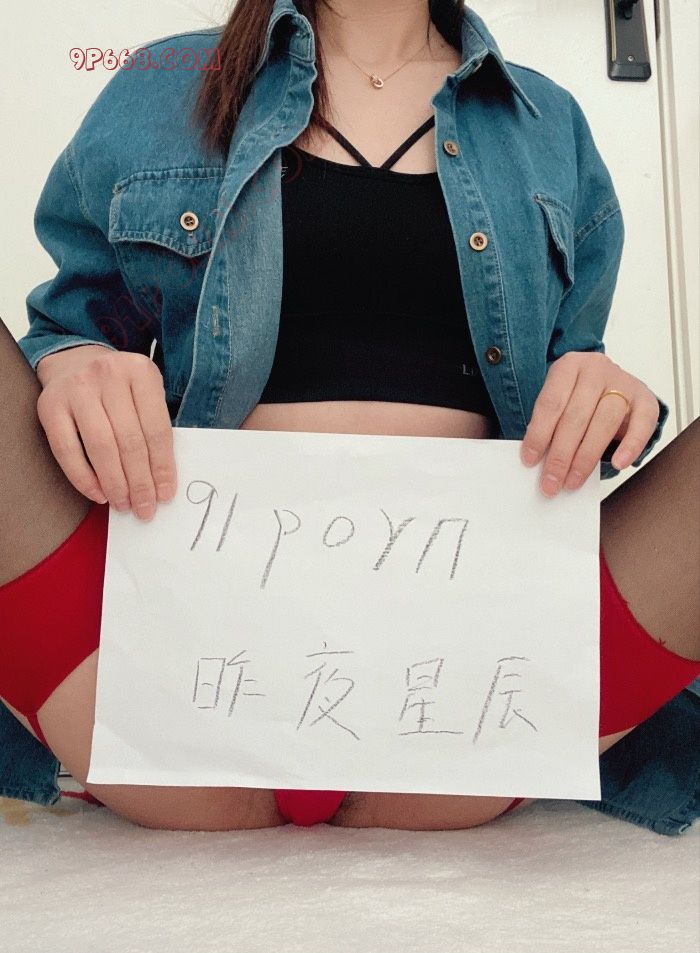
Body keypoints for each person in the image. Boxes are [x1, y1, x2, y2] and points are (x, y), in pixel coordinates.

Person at [1, 0, 698, 832]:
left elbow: (575, 381)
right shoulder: (167, 84)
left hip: (477, 693)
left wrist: (608, 395)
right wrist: (73, 361)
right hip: (164, 671)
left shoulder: (547, 124)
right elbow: (70, 324)